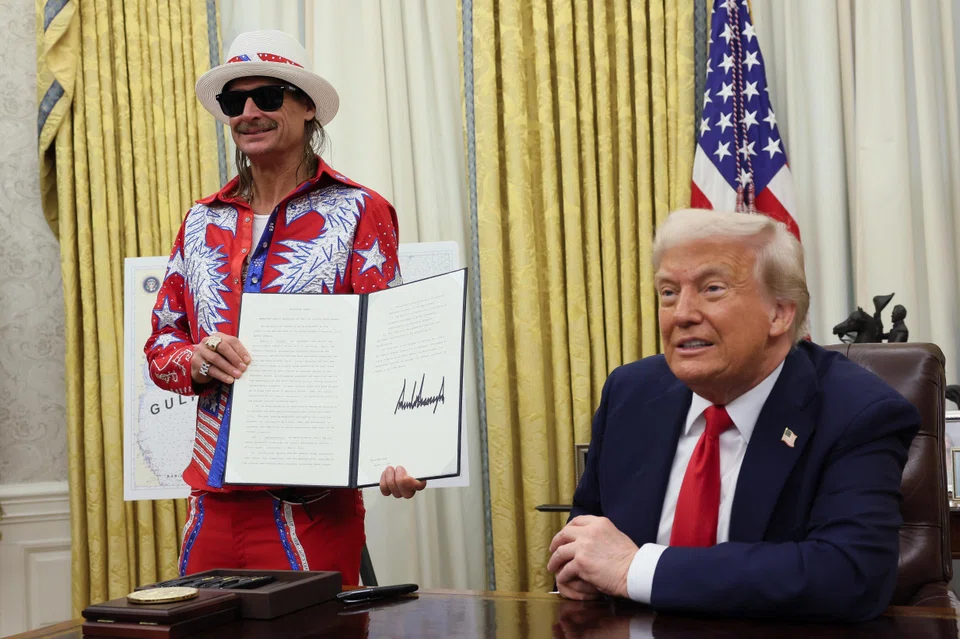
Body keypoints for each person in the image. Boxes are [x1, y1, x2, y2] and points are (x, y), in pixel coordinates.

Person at [144, 30, 425, 583]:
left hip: (313, 504)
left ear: (308, 108)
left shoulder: (360, 210)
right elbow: (161, 344)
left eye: (268, 96)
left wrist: (409, 450)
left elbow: (391, 343)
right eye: (234, 102)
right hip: (212, 498)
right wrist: (198, 362)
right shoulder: (201, 221)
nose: (249, 112)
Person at [547, 209, 920, 622]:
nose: (682, 314)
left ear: (779, 313)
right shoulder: (630, 393)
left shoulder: (857, 412)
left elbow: (851, 574)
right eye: (668, 292)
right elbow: (588, 526)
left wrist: (633, 569)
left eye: (712, 289)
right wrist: (579, 564)